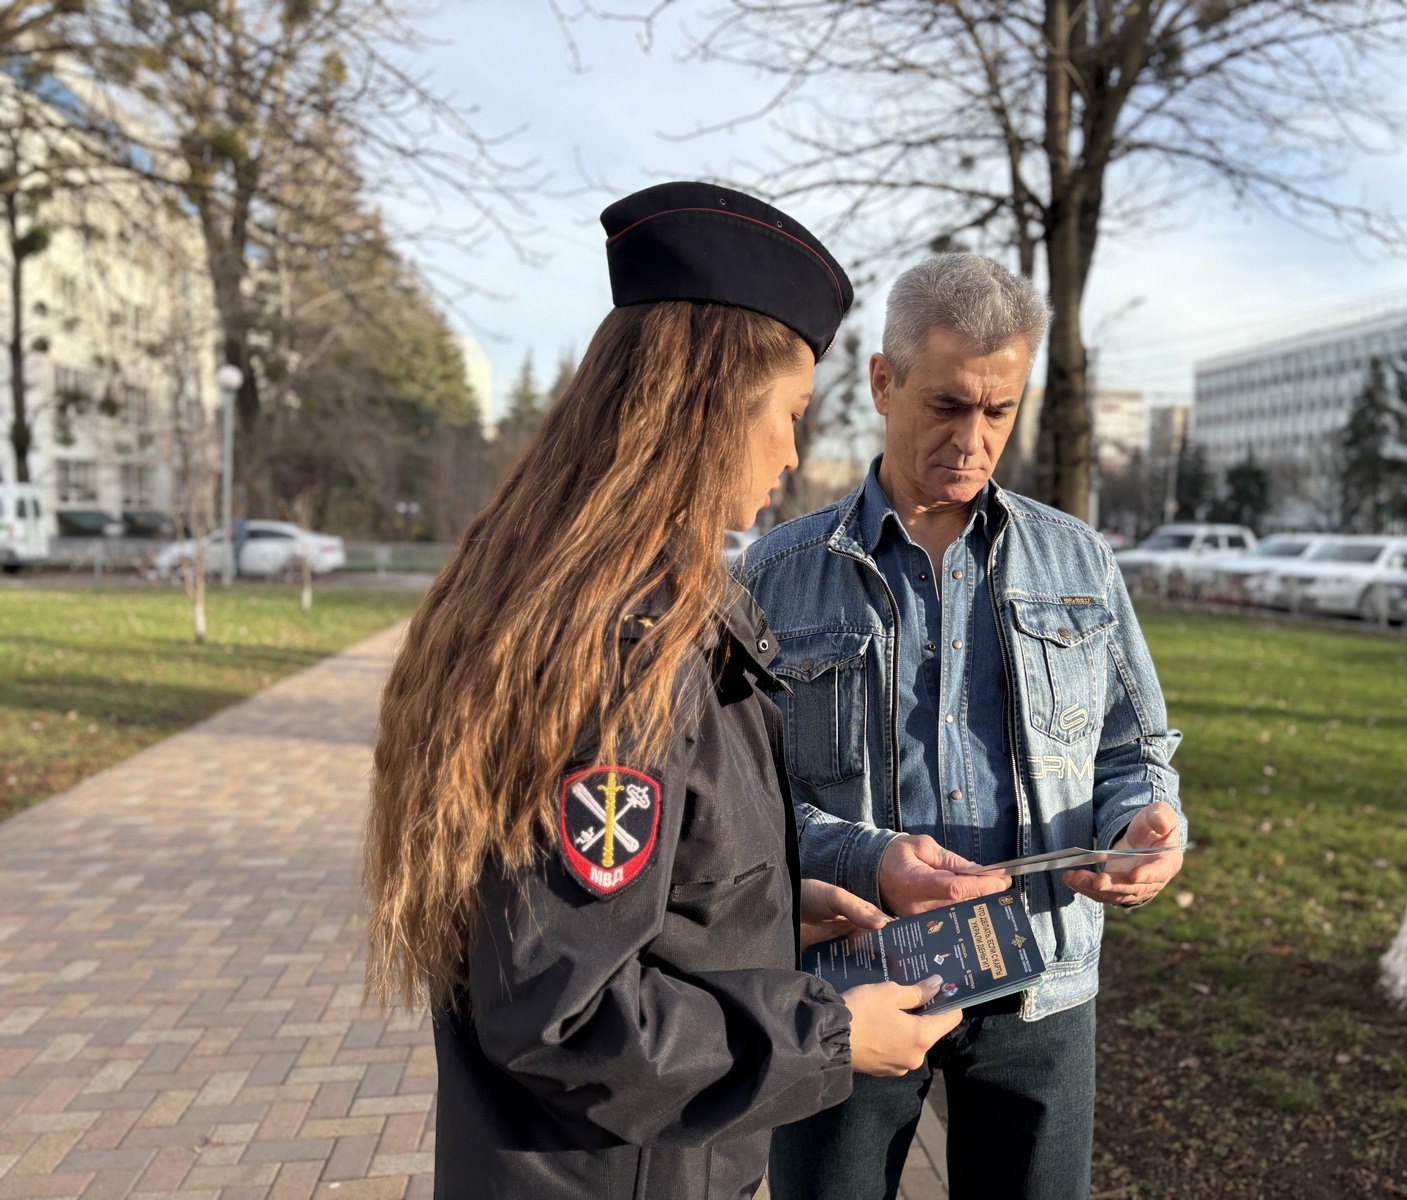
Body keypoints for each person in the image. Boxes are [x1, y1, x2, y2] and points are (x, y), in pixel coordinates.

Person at [361, 182, 960, 1200]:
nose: (792, 453)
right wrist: (827, 1036)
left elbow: (626, 904)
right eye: (789, 414)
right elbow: (564, 1012)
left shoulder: (609, 599)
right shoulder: (623, 649)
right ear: (707, 406)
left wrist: (775, 918)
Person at [740, 252, 1187, 1200]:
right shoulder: (775, 577)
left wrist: (1141, 824)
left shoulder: (1079, 561)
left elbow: (1131, 744)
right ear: (882, 384)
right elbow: (740, 804)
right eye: (947, 406)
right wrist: (867, 859)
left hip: (1042, 988)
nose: (974, 441)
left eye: (1000, 411)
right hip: (853, 980)